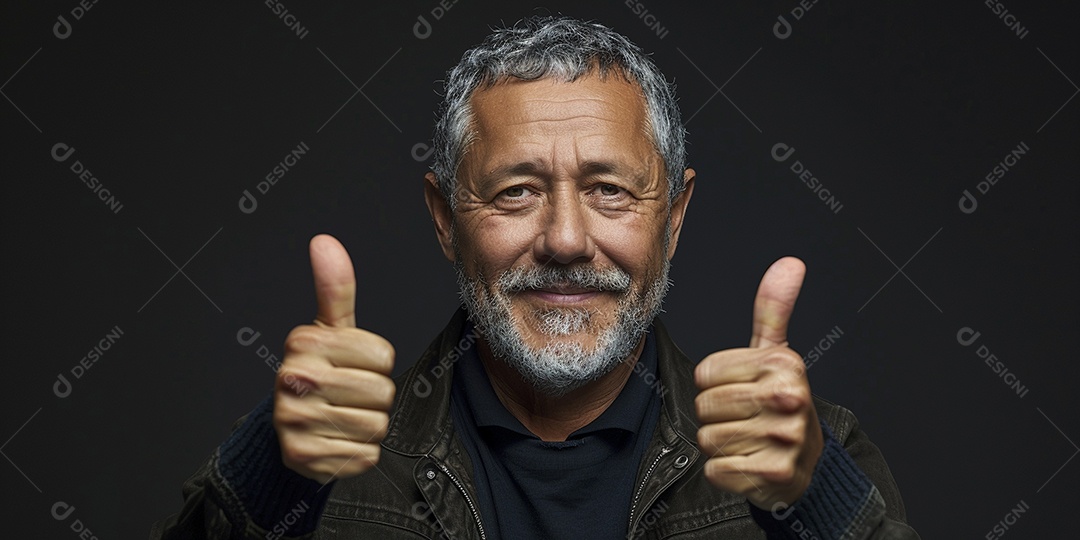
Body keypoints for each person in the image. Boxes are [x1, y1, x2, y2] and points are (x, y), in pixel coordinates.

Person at [153, 15, 918, 539]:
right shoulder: (323, 461)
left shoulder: (801, 451)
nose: (564, 239)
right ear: (446, 217)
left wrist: (814, 493)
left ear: (674, 216)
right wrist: (272, 474)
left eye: (609, 190)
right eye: (516, 191)